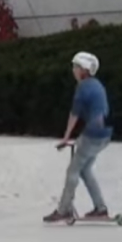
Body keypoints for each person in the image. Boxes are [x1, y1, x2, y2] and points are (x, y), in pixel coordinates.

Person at [44, 51, 113, 222]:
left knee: (72, 170)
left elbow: (74, 114)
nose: (73, 70)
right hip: (106, 133)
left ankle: (63, 210)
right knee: (85, 169)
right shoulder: (97, 84)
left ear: (84, 70)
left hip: (93, 134)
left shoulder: (83, 86)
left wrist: (66, 137)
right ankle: (100, 208)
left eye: (75, 67)